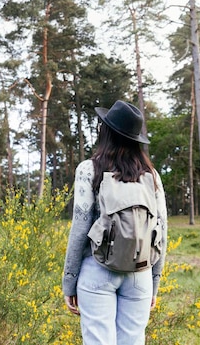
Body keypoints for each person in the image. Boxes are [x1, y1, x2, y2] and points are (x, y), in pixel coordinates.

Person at [62, 100, 168, 345]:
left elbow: (80, 228)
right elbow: (161, 230)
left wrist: (69, 280)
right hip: (140, 272)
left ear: (106, 132)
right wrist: (155, 281)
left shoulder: (89, 169)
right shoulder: (151, 176)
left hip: (97, 268)